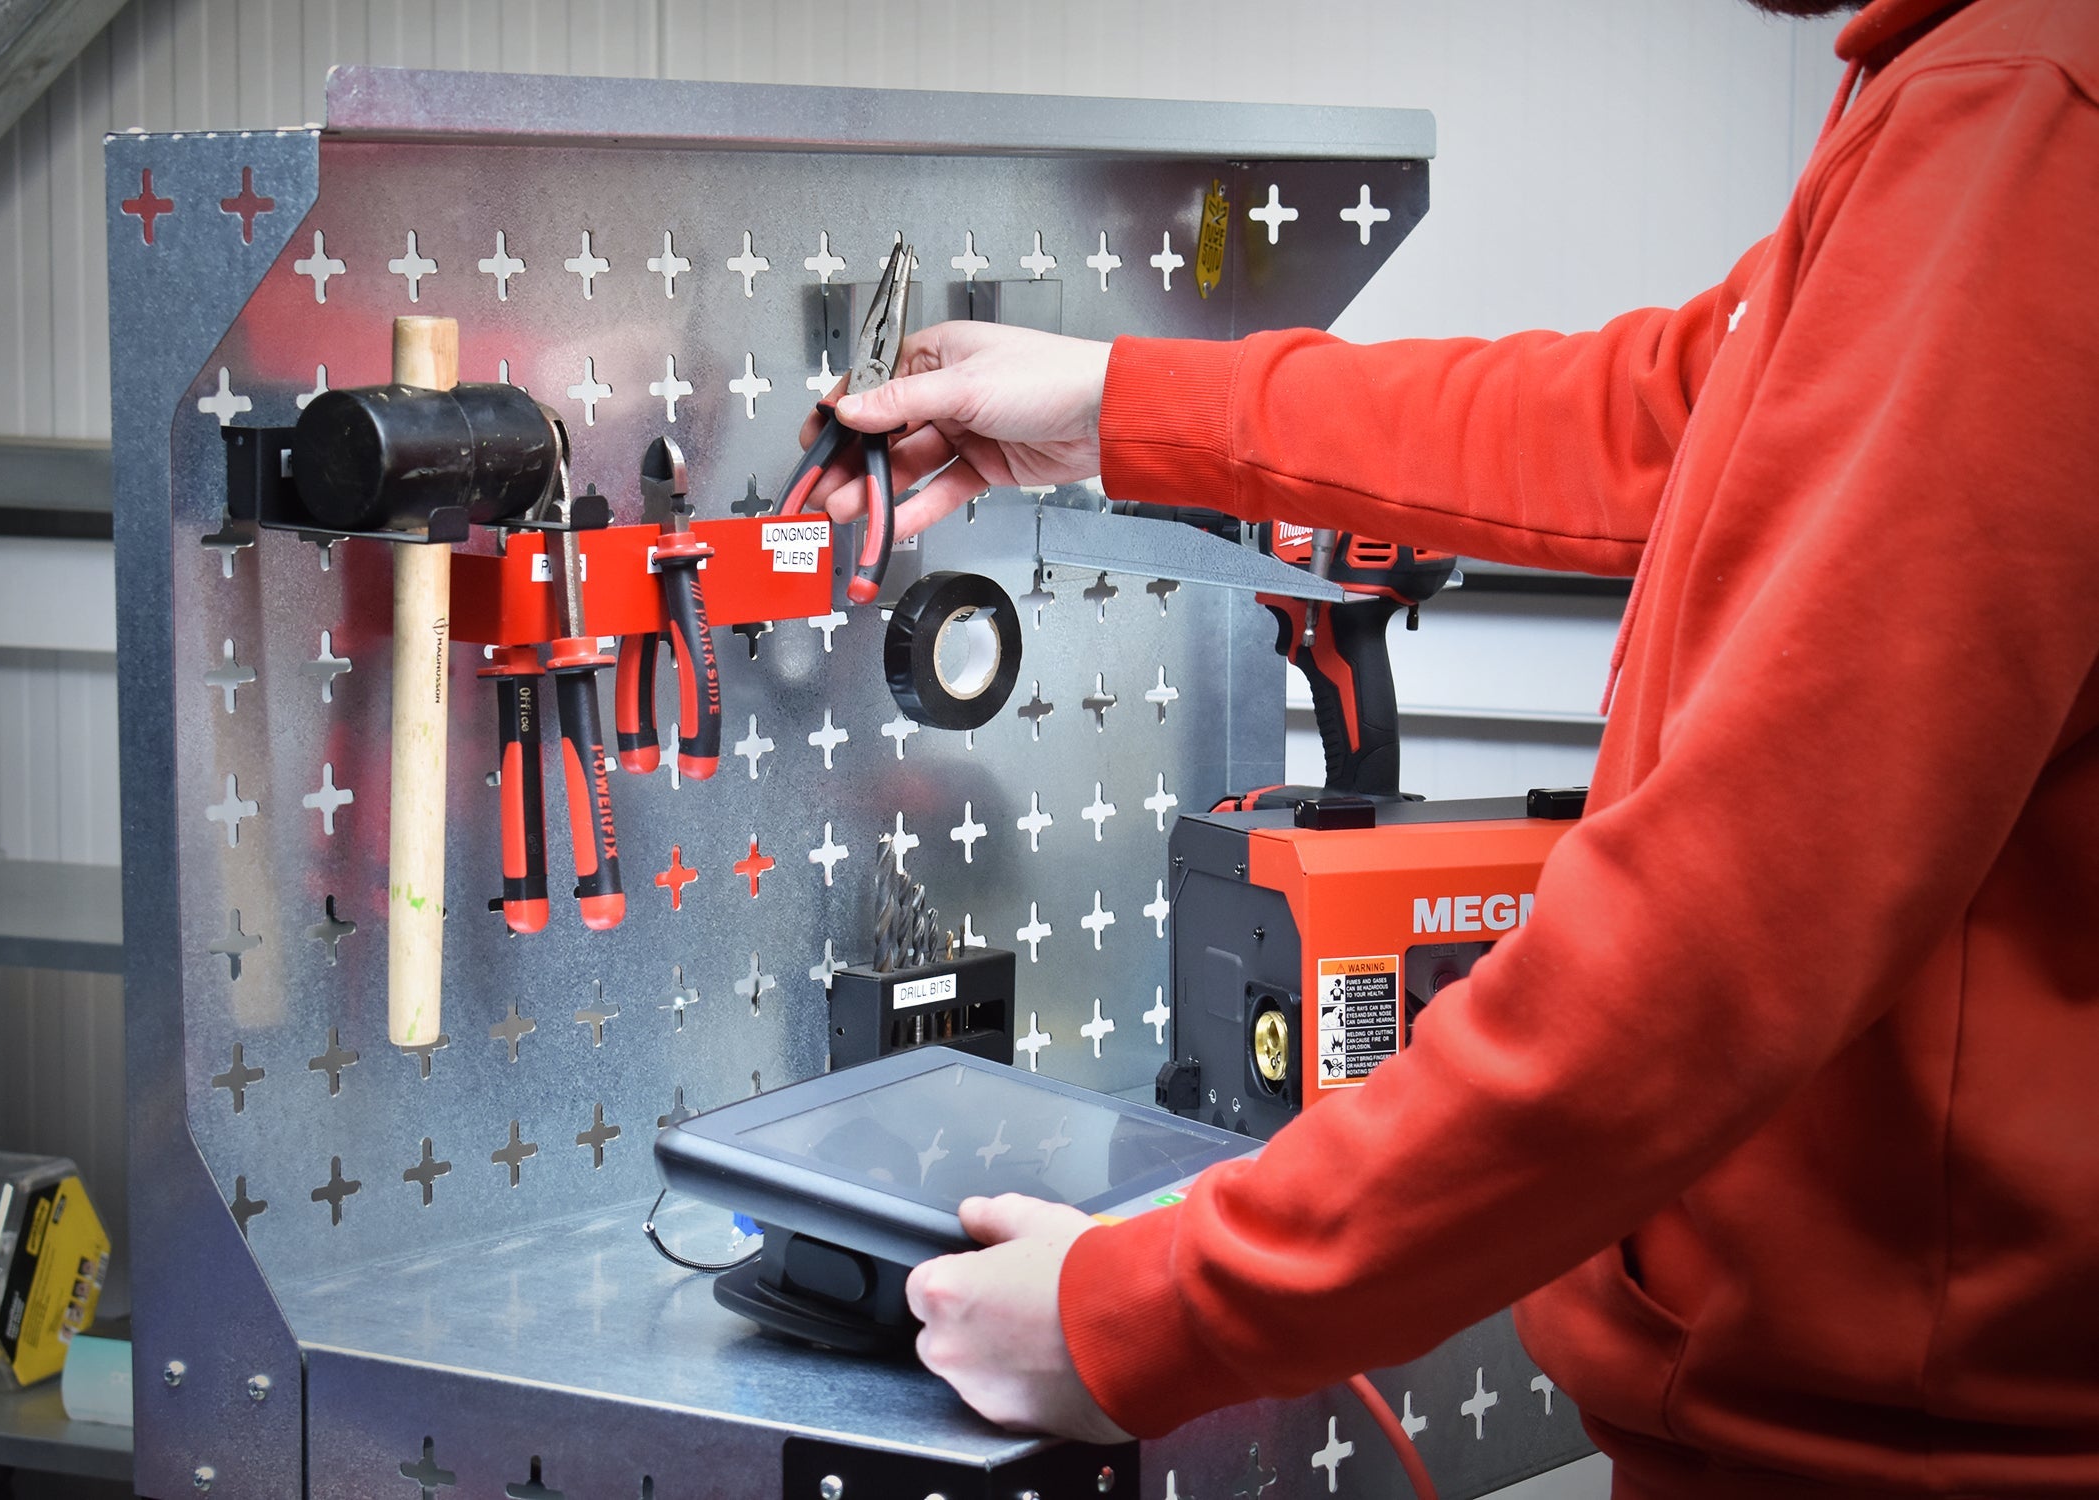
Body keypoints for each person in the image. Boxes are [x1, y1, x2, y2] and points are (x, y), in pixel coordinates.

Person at [794, 0, 2099, 1493]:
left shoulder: (2028, 107)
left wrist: (1141, 1312)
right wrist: (1122, 406)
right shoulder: (1965, 85)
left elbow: (1725, 937)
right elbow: (1673, 408)